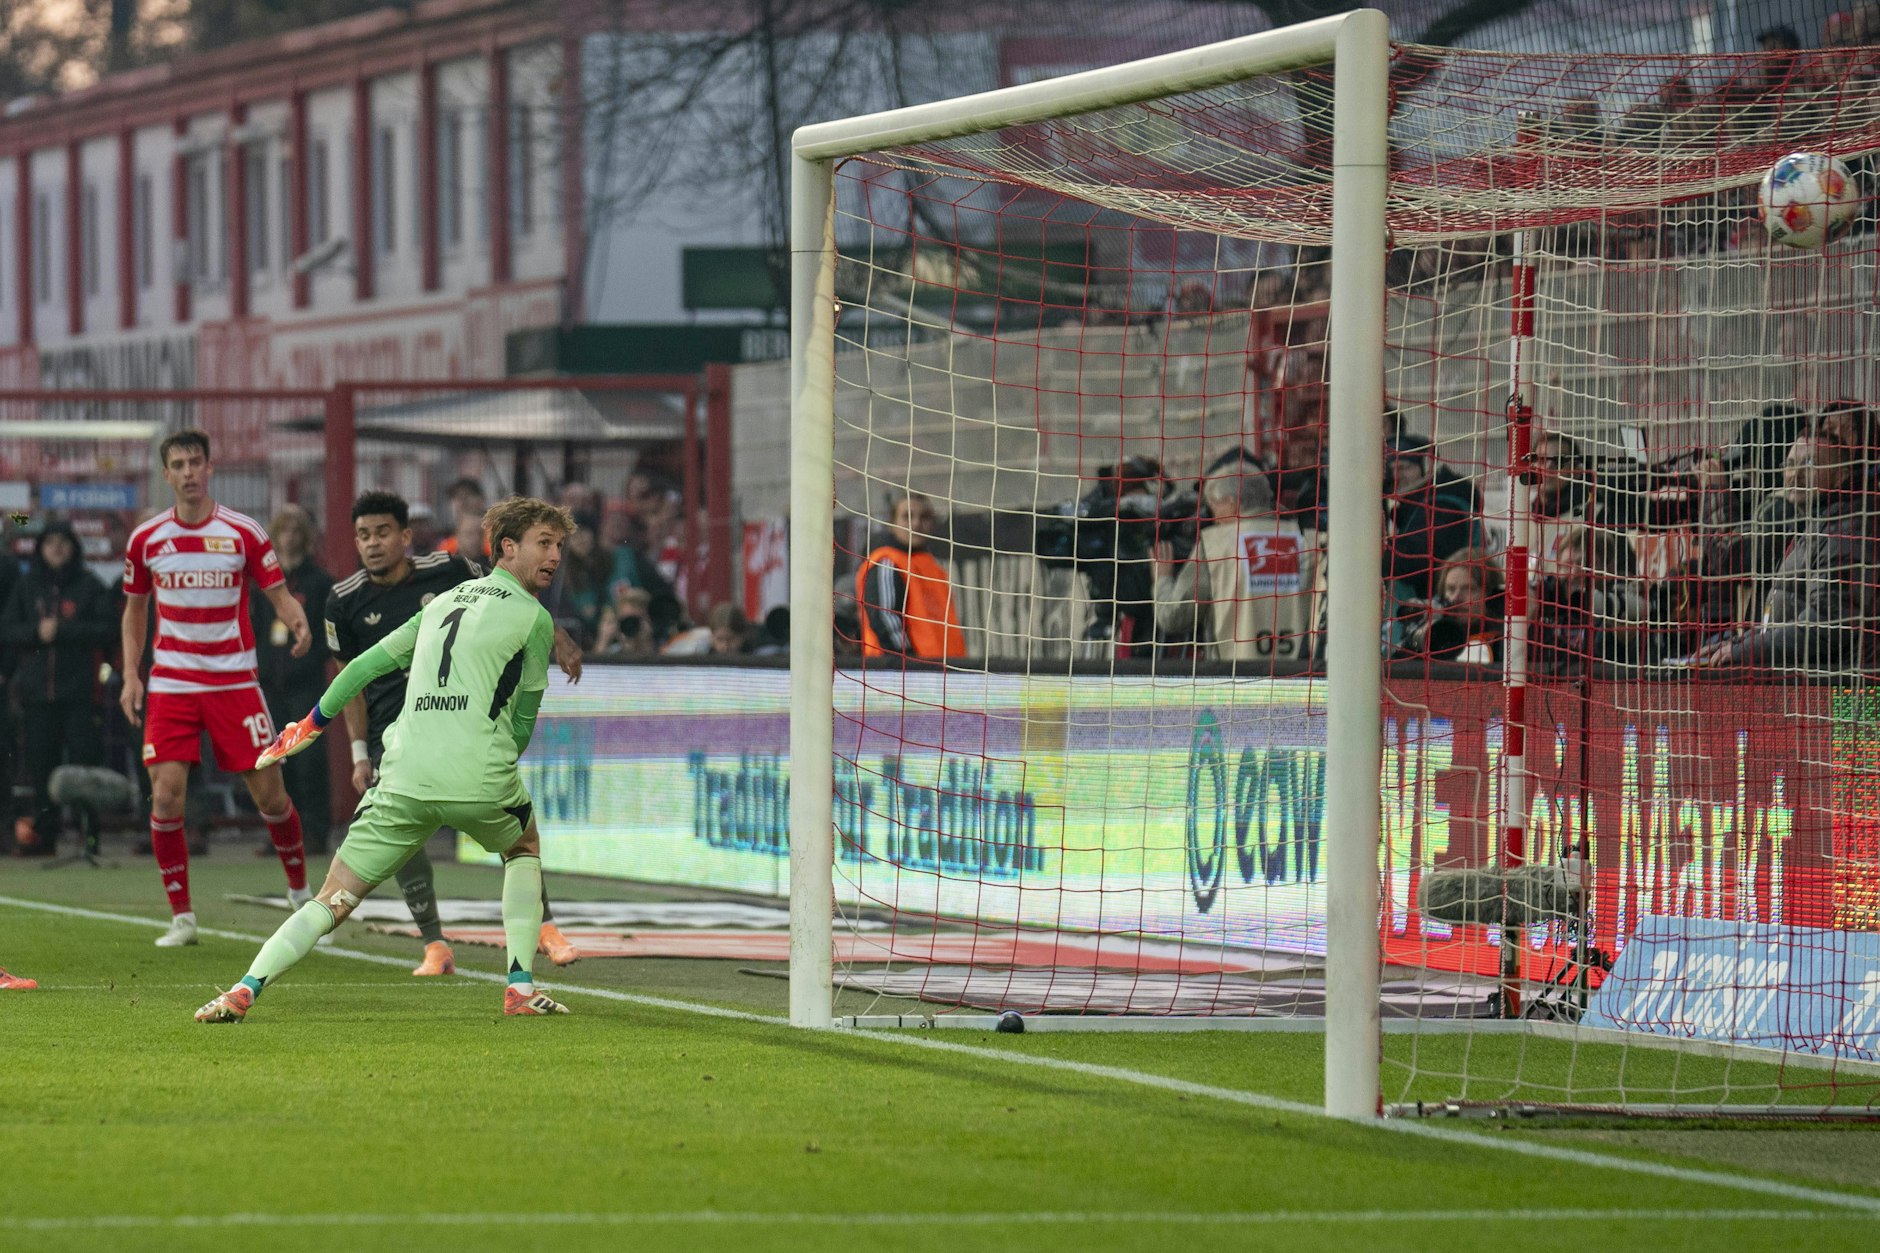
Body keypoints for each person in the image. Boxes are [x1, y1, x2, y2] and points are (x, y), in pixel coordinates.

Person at [196, 497, 580, 1022]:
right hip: (479, 775)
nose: (555, 554)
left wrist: (310, 725)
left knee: (332, 898)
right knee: (523, 846)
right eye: (544, 542)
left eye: (559, 544)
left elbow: (359, 669)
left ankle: (243, 989)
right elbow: (524, 717)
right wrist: (498, 756)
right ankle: (518, 987)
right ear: (507, 547)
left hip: (403, 776)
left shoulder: (439, 604)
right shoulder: (535, 617)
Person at [324, 490, 580, 975]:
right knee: (408, 836)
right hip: (394, 727)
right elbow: (351, 679)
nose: (372, 544)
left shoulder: (449, 572)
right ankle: (435, 943)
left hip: (462, 717)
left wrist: (556, 639)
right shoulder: (343, 601)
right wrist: (359, 750)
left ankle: (544, 926)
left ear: (404, 536)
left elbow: (518, 599)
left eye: (382, 532)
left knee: (514, 827)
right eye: (362, 535)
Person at [120, 429, 314, 948]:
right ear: (166, 475)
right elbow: (134, 610)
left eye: (196, 462)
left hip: (234, 682)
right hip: (172, 684)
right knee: (165, 795)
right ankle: (182, 917)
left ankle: (301, 895)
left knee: (271, 797)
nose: (188, 472)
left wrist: (297, 621)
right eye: (178, 464)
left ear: (210, 468)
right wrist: (132, 674)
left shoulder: (243, 532)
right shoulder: (146, 540)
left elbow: (278, 593)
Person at [1696, 433, 1877, 673]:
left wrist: (1747, 651)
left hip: (1839, 695)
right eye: (1790, 464)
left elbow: (1826, 627)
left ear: (1841, 473)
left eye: (1810, 463)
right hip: (1810, 688)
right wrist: (1737, 645)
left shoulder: (1846, 529)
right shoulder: (1817, 525)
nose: (1796, 474)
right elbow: (1789, 616)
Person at [1, 521, 115, 855]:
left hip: (80, 694)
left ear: (73, 547)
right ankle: (45, 836)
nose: (57, 548)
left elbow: (106, 628)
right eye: (50, 542)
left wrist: (64, 631)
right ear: (40, 548)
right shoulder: (25, 586)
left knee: (84, 766)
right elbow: (8, 628)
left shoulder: (90, 585)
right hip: (38, 696)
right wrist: (37, 633)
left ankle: (89, 836)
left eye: (63, 541)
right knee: (41, 768)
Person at [1154, 472, 1315, 663]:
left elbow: (1174, 617)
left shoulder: (1215, 544)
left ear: (1231, 503)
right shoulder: (1305, 539)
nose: (1213, 519)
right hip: (1300, 675)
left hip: (1233, 678)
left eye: (1213, 507)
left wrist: (1162, 578)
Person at [252, 506, 335, 854]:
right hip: (271, 684)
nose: (289, 537)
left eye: (295, 530)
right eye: (283, 530)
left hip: (306, 683)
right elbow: (254, 628)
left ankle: (315, 831)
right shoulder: (264, 585)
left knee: (309, 760)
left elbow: (327, 636)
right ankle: (283, 834)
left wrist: (307, 661)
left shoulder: (319, 583)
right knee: (277, 761)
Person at [856, 492, 966, 660]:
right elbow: (885, 617)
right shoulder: (886, 561)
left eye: (924, 517)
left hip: (943, 672)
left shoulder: (933, 568)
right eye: (907, 516)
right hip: (905, 676)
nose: (916, 524)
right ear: (892, 523)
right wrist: (909, 664)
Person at [439, 478, 489, 562]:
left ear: (481, 500)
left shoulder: (497, 535)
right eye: (455, 496)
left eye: (467, 495)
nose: (461, 501)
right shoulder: (447, 544)